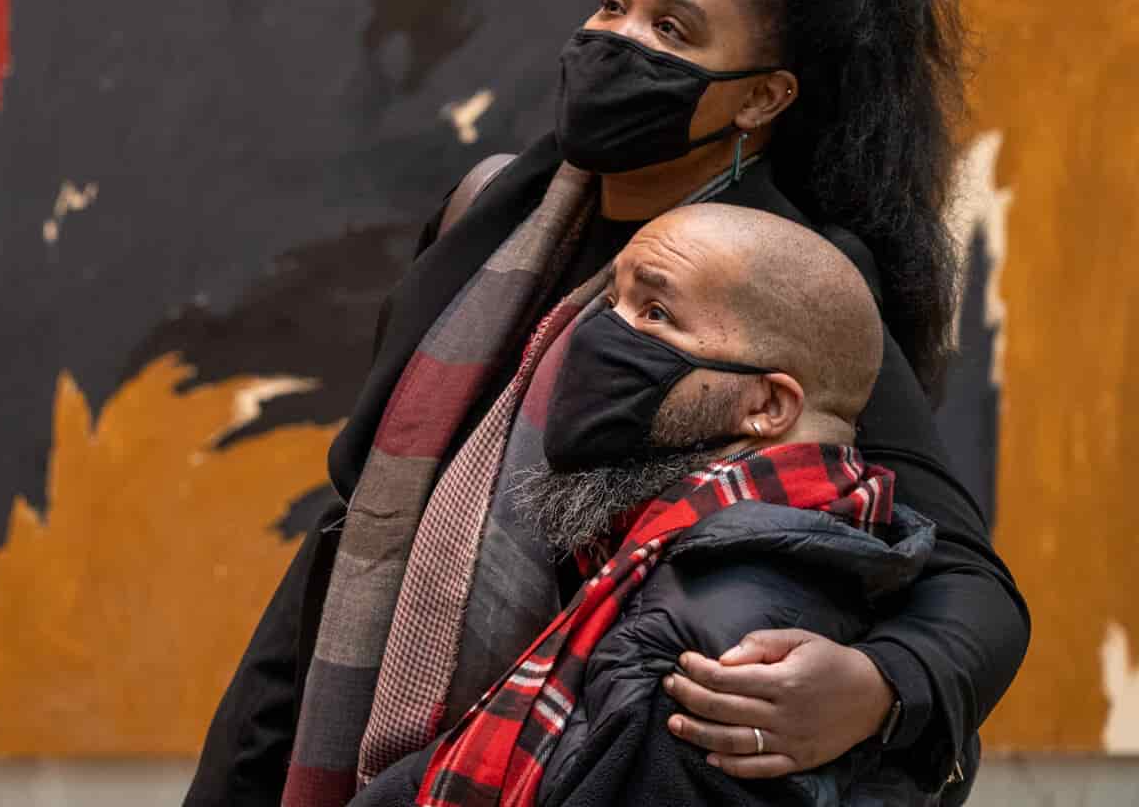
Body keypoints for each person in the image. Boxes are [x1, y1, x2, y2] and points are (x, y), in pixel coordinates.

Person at [186, 0, 1028, 806]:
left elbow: (971, 585)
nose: (619, 42)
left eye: (673, 29)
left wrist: (878, 689)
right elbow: (351, 543)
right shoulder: (492, 216)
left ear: (761, 95)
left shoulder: (792, 282)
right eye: (613, 5)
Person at [357, 203, 938, 806]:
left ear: (767, 405)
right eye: (614, 304)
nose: (601, 337)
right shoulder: (747, 549)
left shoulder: (718, 652)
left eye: (656, 313)